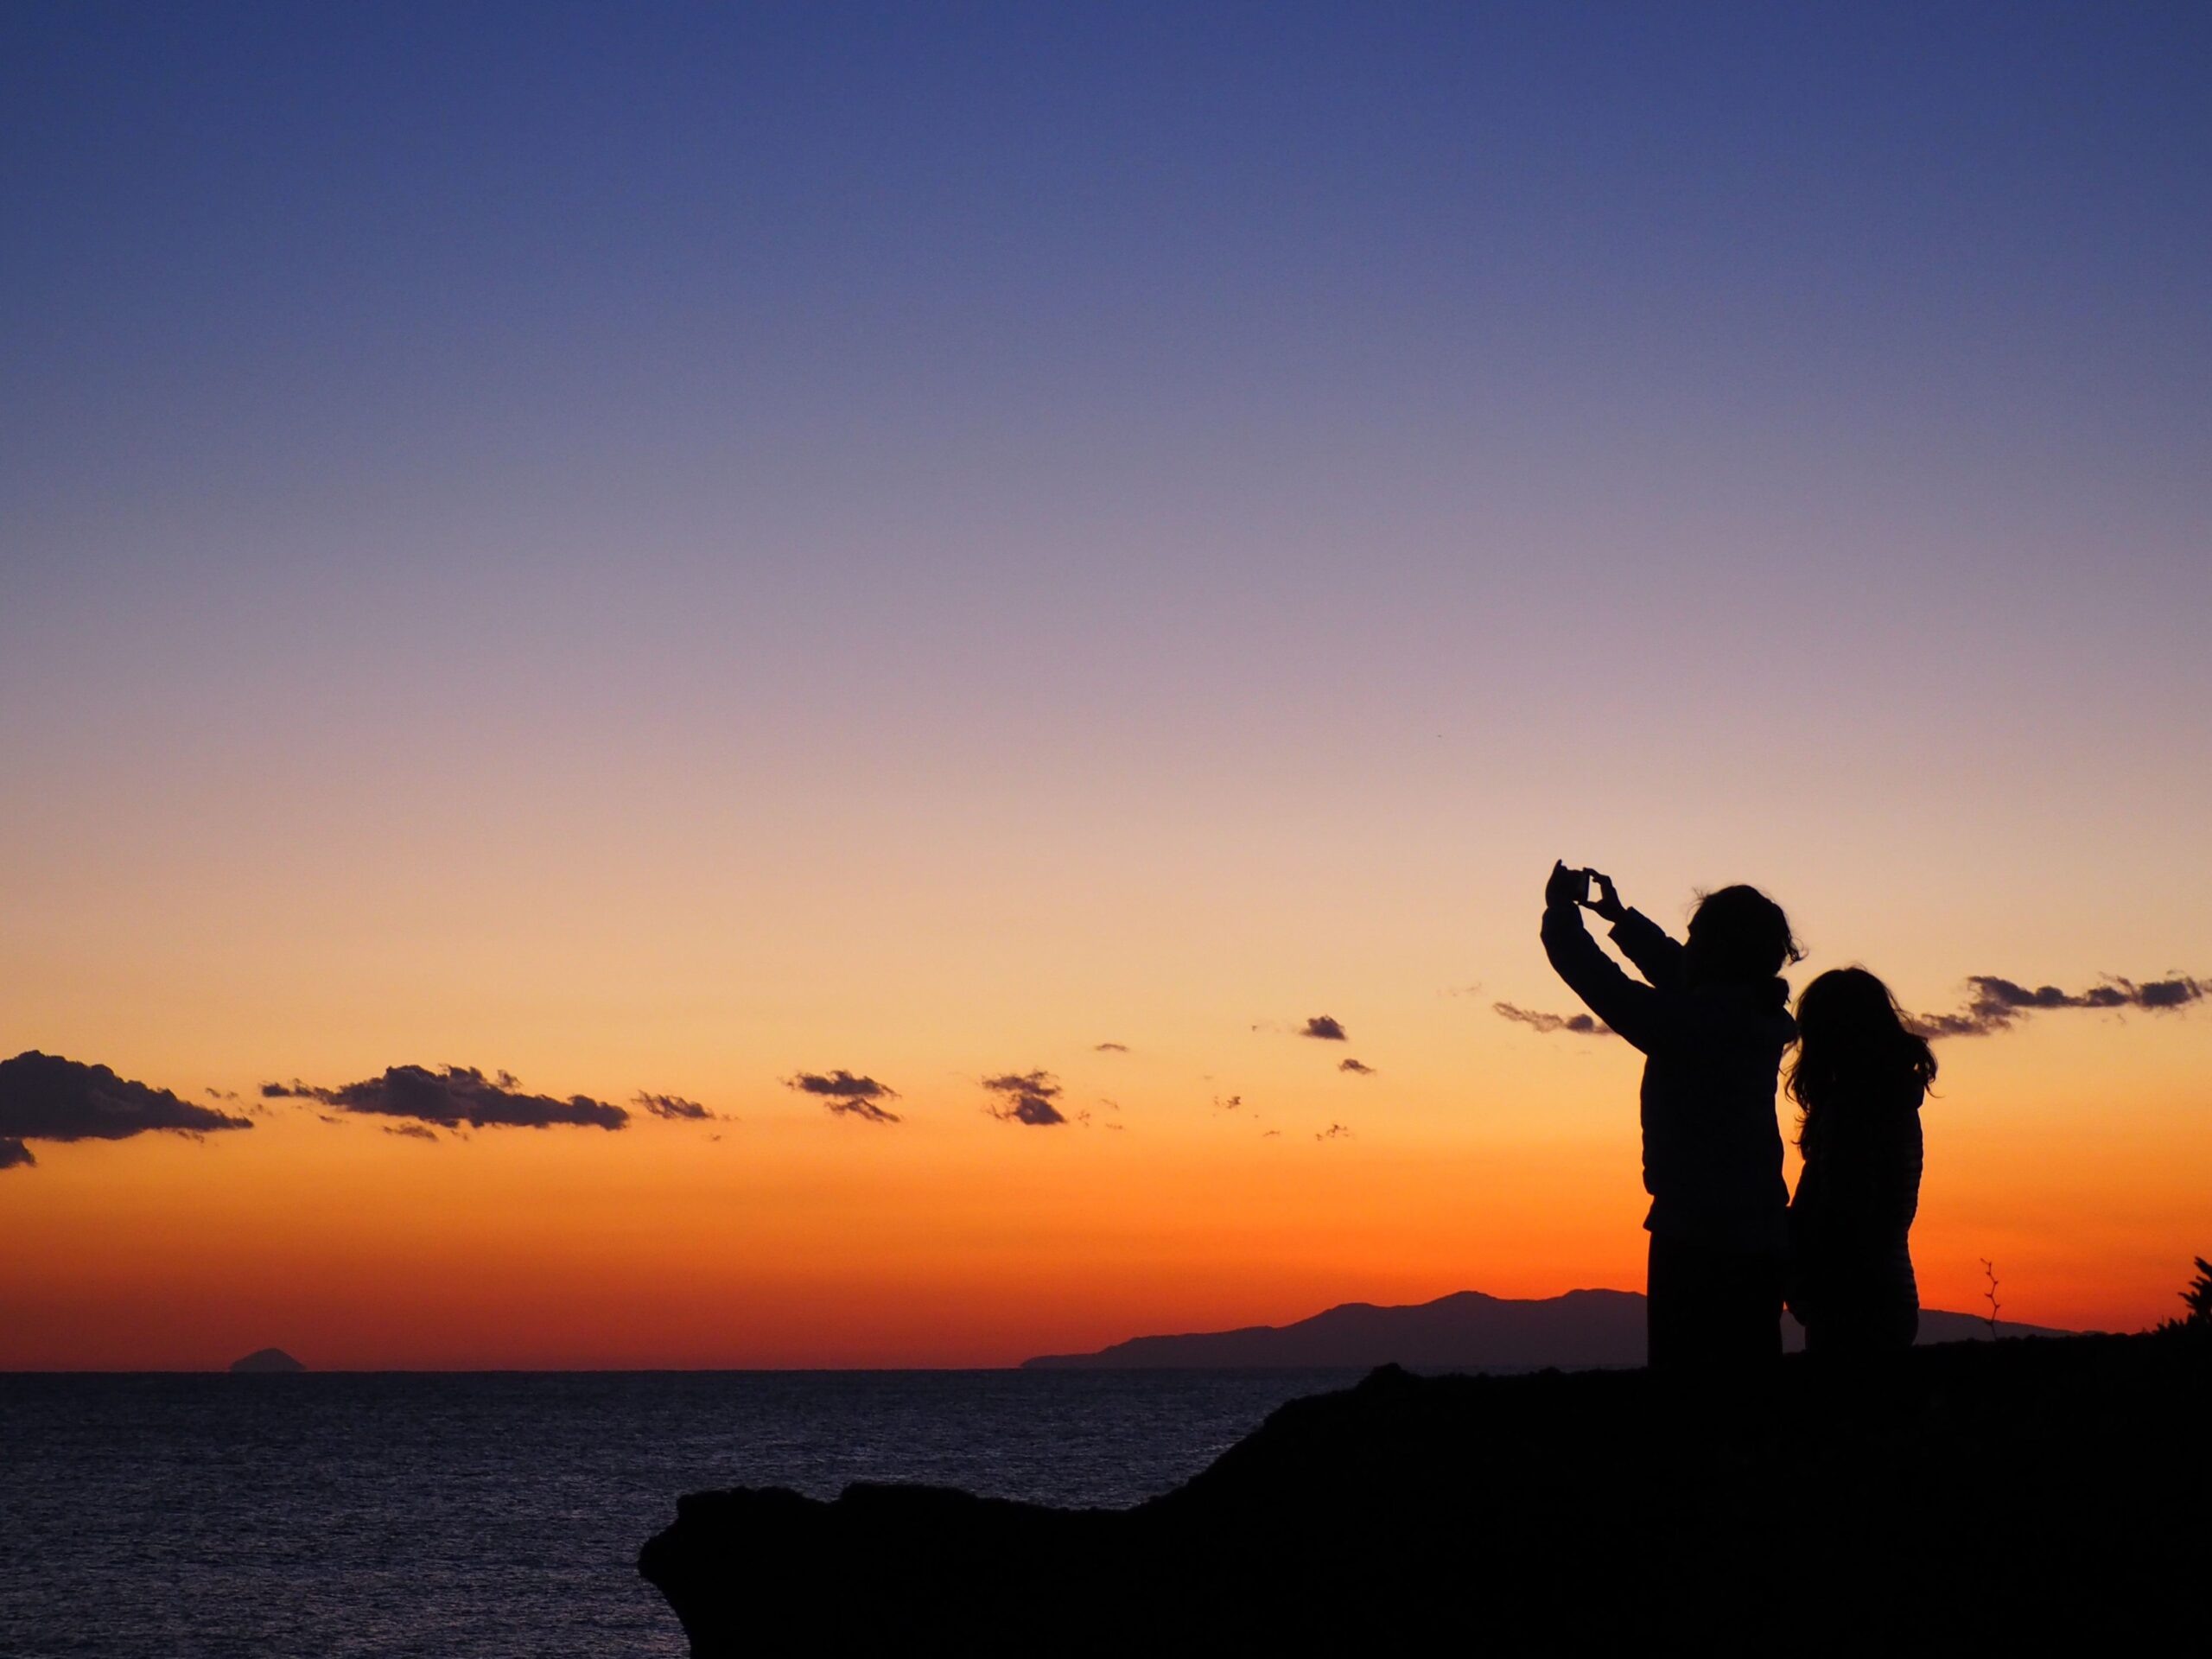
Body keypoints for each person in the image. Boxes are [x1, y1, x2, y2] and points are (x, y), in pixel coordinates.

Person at [1540, 861, 1800, 1369]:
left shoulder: (1695, 1025)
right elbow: (1686, 976)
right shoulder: (1753, 1014)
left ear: (1717, 951)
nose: (1689, 947)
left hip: (1697, 1236)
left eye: (1696, 938)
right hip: (1759, 1230)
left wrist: (1560, 915)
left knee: (1686, 1387)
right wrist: (1620, 919)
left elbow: (1604, 986)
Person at [1783, 968, 1932, 1355]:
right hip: (1887, 1292)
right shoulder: (1894, 1104)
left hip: (1852, 1300)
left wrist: (1799, 1269)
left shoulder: (1853, 1111)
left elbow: (1842, 1214)